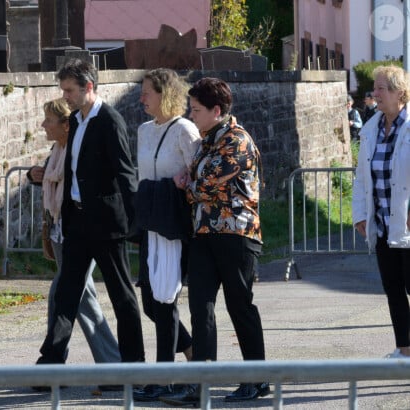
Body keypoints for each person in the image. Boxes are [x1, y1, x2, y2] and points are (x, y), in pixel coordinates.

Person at [34, 59, 145, 374]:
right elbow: (72, 173)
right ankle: (51, 363)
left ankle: (134, 366)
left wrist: (136, 222)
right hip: (78, 224)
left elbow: (125, 173)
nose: (65, 96)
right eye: (63, 90)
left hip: (107, 225)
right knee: (67, 294)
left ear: (89, 87)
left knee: (122, 295)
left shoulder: (109, 121)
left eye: (69, 90)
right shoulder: (78, 122)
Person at [164, 77, 269, 406]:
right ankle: (200, 383)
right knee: (200, 308)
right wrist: (189, 181)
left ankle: (256, 379)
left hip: (236, 233)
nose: (190, 114)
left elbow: (207, 184)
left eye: (196, 109)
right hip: (205, 233)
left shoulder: (236, 140)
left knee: (240, 306)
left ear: (216, 110)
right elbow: (198, 178)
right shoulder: (206, 141)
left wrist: (186, 185)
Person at [27, 99, 121, 373]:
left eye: (48, 120)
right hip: (59, 231)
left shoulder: (77, 150)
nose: (44, 125)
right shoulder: (57, 150)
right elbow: (51, 178)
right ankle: (112, 363)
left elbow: (80, 186)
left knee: (62, 294)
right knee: (82, 298)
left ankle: (53, 363)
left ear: (66, 125)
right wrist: (36, 176)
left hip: (80, 231)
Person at [132, 68, 199, 402]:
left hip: (173, 227)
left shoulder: (184, 130)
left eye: (147, 92)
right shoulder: (144, 131)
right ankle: (192, 353)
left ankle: (164, 378)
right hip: (149, 223)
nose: (142, 97)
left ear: (165, 94)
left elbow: (198, 172)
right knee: (150, 302)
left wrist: (183, 181)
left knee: (166, 302)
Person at [352, 65, 410, 359]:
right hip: (384, 224)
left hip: (408, 223)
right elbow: (362, 176)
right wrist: (360, 213)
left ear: (400, 93)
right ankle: (405, 350)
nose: (375, 94)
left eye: (381, 88)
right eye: (375, 88)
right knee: (394, 290)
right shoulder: (372, 127)